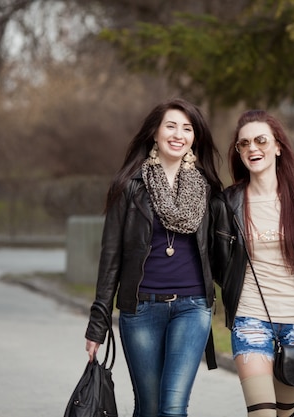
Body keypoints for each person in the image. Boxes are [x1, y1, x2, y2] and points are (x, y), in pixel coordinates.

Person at [84, 98, 222, 417]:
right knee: (149, 408)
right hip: (141, 308)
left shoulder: (207, 189)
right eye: (170, 126)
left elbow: (224, 252)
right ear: (154, 134)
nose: (179, 134)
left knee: (172, 408)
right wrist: (97, 326)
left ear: (194, 138)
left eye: (187, 128)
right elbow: (110, 260)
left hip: (193, 307)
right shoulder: (128, 188)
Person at [211, 110, 294, 417]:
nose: (252, 149)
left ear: (277, 146)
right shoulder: (228, 204)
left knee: (285, 415)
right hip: (250, 320)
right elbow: (220, 266)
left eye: (260, 140)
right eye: (243, 144)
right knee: (262, 414)